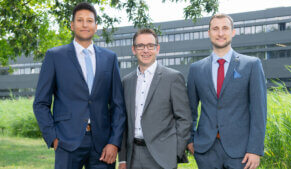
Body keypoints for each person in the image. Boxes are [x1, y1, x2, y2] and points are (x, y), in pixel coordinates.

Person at [33, 2, 126, 169]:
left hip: (103, 145)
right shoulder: (55, 56)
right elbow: (40, 103)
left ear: (96, 26)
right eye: (80, 20)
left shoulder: (109, 58)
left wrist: (114, 142)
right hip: (66, 142)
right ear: (72, 25)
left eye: (89, 21)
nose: (85, 24)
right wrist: (53, 138)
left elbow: (118, 105)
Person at [187, 14, 267, 169]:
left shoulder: (251, 65)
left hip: (241, 152)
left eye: (225, 28)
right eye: (215, 29)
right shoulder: (196, 69)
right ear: (208, 33)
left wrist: (255, 149)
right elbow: (189, 110)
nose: (220, 33)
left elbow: (259, 111)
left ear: (233, 32)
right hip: (206, 151)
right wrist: (190, 140)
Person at [118, 28, 192, 169]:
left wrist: (174, 153)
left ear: (157, 49)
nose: (145, 50)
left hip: (162, 157)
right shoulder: (126, 82)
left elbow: (184, 119)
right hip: (133, 156)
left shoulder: (173, 78)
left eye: (150, 46)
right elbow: (123, 123)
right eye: (140, 46)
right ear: (134, 50)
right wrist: (122, 159)